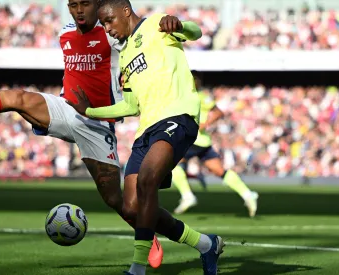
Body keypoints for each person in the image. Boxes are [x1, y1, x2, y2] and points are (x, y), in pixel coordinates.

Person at [0, 0, 163, 268]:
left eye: (85, 4)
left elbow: (142, 39)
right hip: (65, 109)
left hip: (97, 123)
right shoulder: (64, 32)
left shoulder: (112, 35)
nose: (79, 10)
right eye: (73, 5)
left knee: (115, 200)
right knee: (19, 97)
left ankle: (146, 234)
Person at [68, 1, 224, 274]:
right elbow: (130, 106)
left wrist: (180, 24)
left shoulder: (157, 24)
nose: (107, 29)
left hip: (178, 117)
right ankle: (204, 244)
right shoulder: (125, 56)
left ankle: (137, 268)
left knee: (149, 179)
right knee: (131, 207)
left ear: (125, 11)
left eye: (109, 21)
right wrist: (89, 111)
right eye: (103, 24)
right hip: (147, 129)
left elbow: (196, 33)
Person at [173, 84, 259, 216]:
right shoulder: (183, 94)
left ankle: (187, 196)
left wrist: (205, 124)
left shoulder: (198, 96)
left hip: (192, 139)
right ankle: (247, 194)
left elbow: (218, 111)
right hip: (202, 141)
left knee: (173, 163)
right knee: (219, 170)